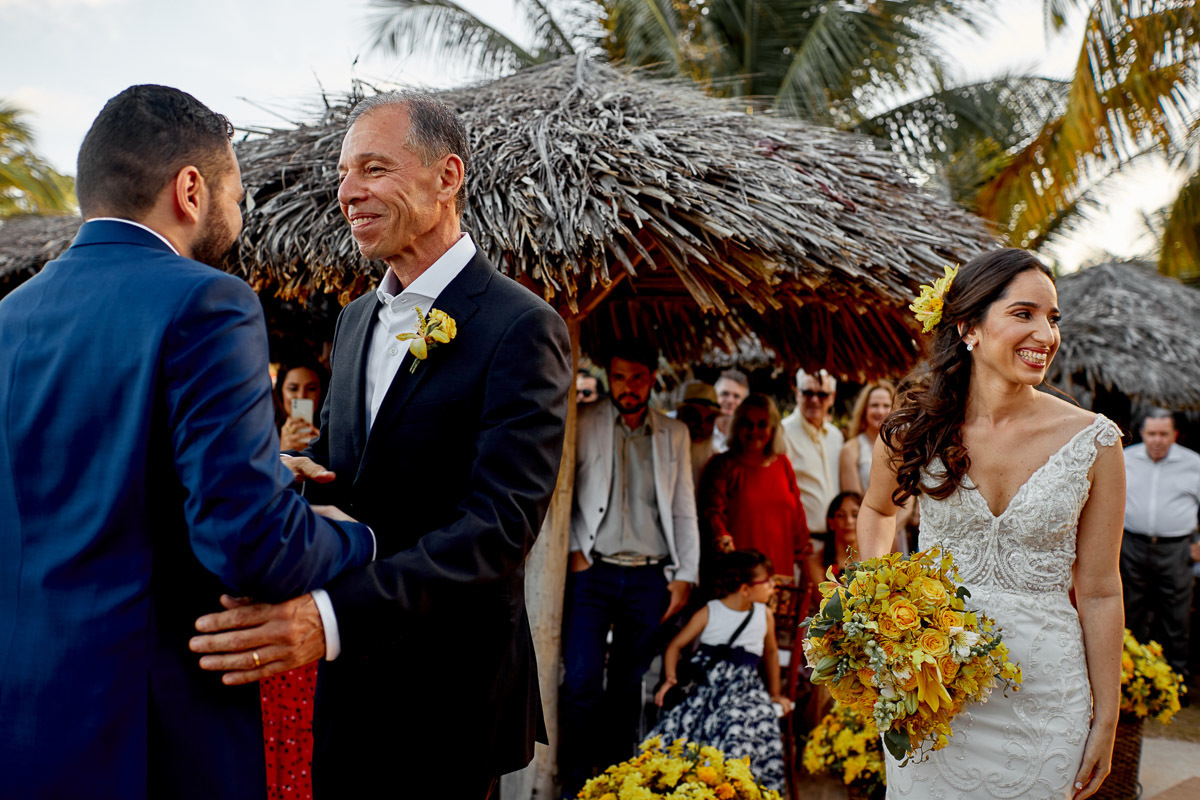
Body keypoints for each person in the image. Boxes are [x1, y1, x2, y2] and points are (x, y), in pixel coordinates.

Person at [189, 91, 572, 800]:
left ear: (447, 176)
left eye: (372, 168)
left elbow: (499, 531)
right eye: (343, 173)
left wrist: (330, 617)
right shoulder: (355, 321)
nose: (348, 193)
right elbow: (348, 483)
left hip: (448, 694)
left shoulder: (522, 327)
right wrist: (284, 488)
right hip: (348, 683)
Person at [0, 85, 376, 800]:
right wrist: (353, 538)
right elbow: (251, 547)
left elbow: (85, 479)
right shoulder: (207, 300)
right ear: (192, 189)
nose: (239, 212)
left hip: (23, 724)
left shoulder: (10, 315)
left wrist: (265, 471)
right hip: (150, 738)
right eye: (237, 191)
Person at [858, 248, 1125, 799]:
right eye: (1024, 314)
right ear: (969, 327)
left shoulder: (1095, 441)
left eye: (1052, 318)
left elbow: (1099, 590)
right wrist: (882, 607)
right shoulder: (914, 430)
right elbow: (879, 509)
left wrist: (1107, 715)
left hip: (1047, 701)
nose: (1045, 334)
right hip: (931, 692)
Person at [562, 340, 700, 795]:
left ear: (652, 380)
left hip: (648, 575)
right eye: (619, 377)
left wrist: (684, 575)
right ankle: (577, 780)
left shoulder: (673, 433)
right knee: (581, 679)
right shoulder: (582, 422)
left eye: (637, 377)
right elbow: (563, 495)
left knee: (627, 685)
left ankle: (619, 783)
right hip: (593, 571)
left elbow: (683, 509)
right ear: (608, 378)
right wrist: (576, 556)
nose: (628, 387)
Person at [651, 549, 790, 792]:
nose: (772, 585)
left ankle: (741, 786)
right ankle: (691, 784)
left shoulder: (764, 615)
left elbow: (771, 653)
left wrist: (775, 693)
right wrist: (671, 679)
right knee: (684, 722)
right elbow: (675, 646)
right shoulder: (711, 611)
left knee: (743, 722)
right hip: (708, 684)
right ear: (745, 588)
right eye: (766, 581)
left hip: (745, 688)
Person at [701, 394, 818, 589]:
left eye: (762, 424)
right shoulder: (722, 465)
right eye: (747, 424)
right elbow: (713, 514)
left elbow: (797, 517)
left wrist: (805, 563)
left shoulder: (782, 464)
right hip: (740, 579)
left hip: (782, 578)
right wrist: (725, 547)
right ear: (737, 426)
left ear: (772, 429)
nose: (754, 431)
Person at [1122, 408, 1200, 679]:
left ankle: (1175, 679)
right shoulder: (1124, 459)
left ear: (1174, 435)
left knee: (1176, 618)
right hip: (1130, 546)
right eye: (1152, 433)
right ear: (1142, 433)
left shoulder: (1194, 463)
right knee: (1129, 613)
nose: (1157, 440)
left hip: (1177, 550)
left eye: (1163, 434)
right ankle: (1128, 679)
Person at [781, 368, 844, 557]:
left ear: (832, 397)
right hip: (801, 545)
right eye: (808, 393)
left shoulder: (836, 436)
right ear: (797, 393)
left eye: (822, 395)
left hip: (835, 544)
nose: (815, 400)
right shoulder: (782, 434)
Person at [838, 380, 895, 495]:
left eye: (886, 406)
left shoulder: (902, 447)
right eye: (874, 405)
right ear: (864, 410)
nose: (880, 411)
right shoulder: (850, 450)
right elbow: (853, 501)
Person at [675, 380, 722, 488]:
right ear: (680, 417)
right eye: (694, 417)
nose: (701, 426)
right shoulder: (660, 453)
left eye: (709, 420)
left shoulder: (718, 462)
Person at [274, 358, 328, 451]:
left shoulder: (332, 434)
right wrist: (283, 451)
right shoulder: (264, 432)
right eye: (293, 389)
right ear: (280, 391)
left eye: (311, 389)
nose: (301, 396)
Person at [822, 491, 862, 577]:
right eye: (841, 515)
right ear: (831, 522)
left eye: (855, 515)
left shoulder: (876, 561)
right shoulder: (816, 562)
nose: (849, 521)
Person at [711, 368, 749, 452]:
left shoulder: (750, 436)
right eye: (725, 394)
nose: (730, 401)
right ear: (714, 396)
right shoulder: (702, 430)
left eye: (736, 396)